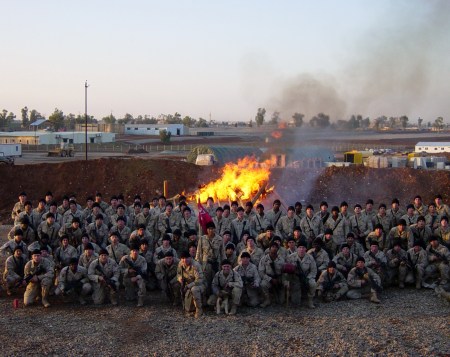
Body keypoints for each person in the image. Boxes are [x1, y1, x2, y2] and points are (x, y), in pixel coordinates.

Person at [284, 241, 317, 308]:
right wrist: (287, 280)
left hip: (306, 277)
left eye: (303, 247)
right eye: (300, 247)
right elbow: (286, 270)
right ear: (297, 248)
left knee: (313, 284)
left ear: (306, 249)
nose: (301, 249)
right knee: (296, 303)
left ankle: (310, 300)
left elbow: (314, 270)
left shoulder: (310, 258)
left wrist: (308, 278)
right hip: (294, 278)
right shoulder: (291, 257)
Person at [195, 221, 224, 293]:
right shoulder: (202, 239)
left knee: (215, 281)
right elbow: (198, 252)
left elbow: (222, 253)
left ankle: (215, 296)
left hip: (216, 263)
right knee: (206, 281)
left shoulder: (220, 239)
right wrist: (197, 264)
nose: (211, 230)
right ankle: (206, 296)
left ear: (215, 229)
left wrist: (224, 264)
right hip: (206, 264)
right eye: (209, 228)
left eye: (212, 228)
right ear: (206, 230)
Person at [177, 251, 205, 318]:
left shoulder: (195, 265)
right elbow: (178, 274)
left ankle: (199, 309)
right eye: (183, 258)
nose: (185, 260)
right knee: (176, 285)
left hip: (199, 285)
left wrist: (188, 286)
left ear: (190, 258)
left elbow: (199, 280)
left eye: (187, 258)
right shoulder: (180, 264)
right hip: (187, 284)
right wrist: (180, 278)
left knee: (194, 289)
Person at [259, 241, 286, 308]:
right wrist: (270, 279)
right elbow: (261, 272)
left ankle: (277, 294)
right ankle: (267, 299)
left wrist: (285, 281)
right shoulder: (264, 259)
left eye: (276, 247)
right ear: (269, 248)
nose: (274, 248)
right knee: (263, 284)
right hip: (268, 278)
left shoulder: (281, 259)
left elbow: (284, 272)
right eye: (272, 247)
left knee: (281, 302)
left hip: (279, 279)